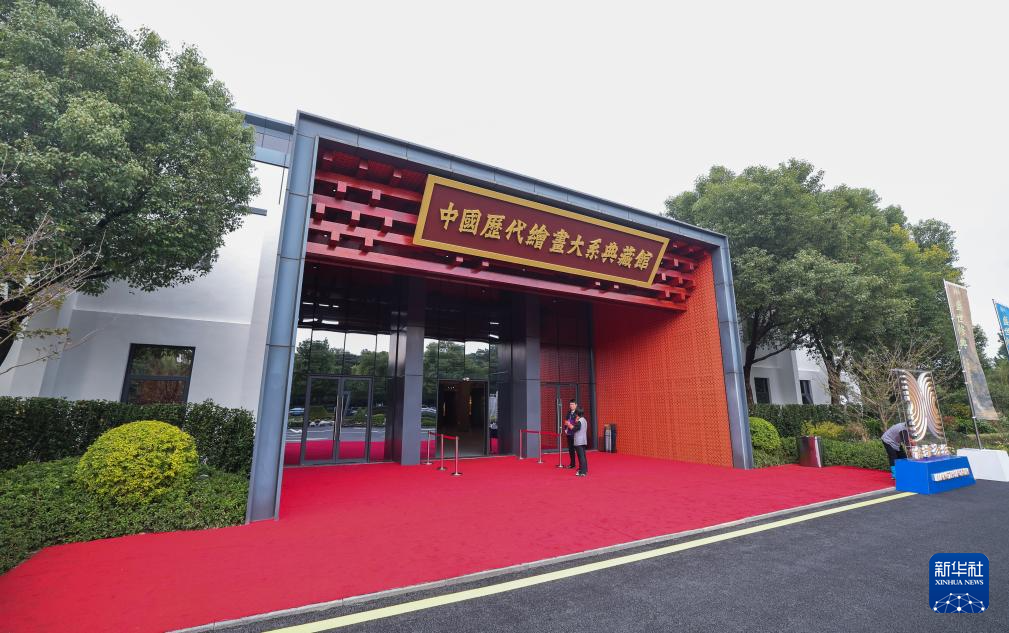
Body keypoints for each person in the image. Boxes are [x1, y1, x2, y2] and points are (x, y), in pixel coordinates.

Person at [563, 399, 578, 469]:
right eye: (570, 404)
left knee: (577, 449)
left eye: (572, 404)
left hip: (575, 433)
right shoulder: (568, 412)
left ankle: (581, 466)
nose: (571, 406)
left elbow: (578, 424)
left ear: (576, 405)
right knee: (571, 449)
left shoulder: (578, 413)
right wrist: (565, 429)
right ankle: (572, 464)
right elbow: (566, 421)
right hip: (569, 433)